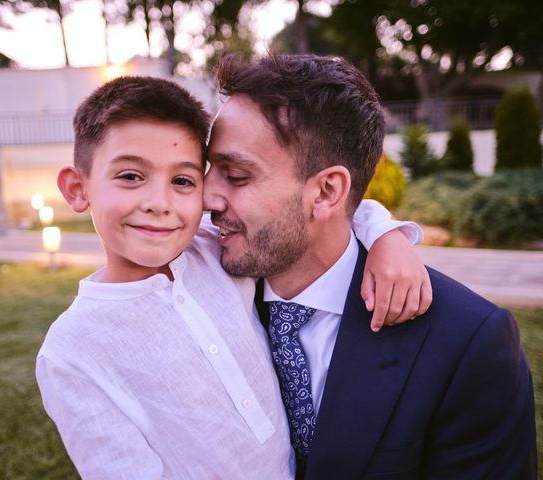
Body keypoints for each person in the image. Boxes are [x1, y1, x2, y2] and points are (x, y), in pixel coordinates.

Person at [36, 75, 429, 479]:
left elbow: (317, 210)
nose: (159, 203)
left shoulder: (212, 249)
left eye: (183, 181)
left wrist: (387, 238)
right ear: (77, 188)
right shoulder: (71, 350)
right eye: (131, 177)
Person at [204, 53, 537, 480]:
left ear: (326, 191)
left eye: (235, 175)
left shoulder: (468, 346)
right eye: (206, 170)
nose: (206, 198)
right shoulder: (195, 291)